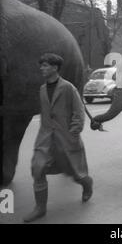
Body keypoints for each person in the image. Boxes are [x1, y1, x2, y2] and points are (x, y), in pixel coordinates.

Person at [23, 53, 93, 223]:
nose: (42, 68)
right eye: (42, 65)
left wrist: (74, 131)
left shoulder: (68, 88)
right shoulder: (41, 90)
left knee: (76, 173)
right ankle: (40, 208)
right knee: (37, 168)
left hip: (66, 138)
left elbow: (78, 111)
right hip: (45, 139)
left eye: (45, 65)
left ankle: (86, 184)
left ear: (55, 68)